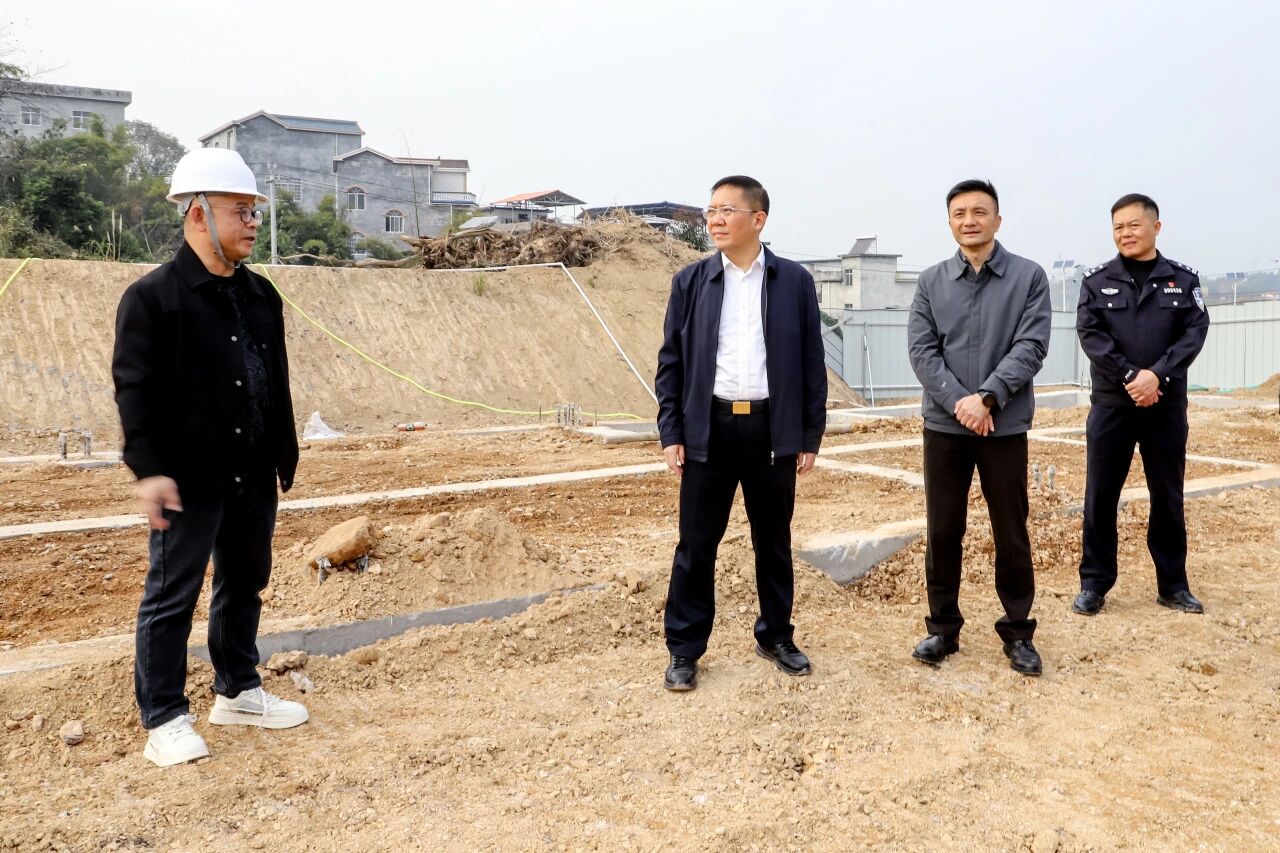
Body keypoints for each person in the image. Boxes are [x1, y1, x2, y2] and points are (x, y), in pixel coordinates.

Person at [112, 148, 306, 767]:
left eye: (254, 211)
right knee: (174, 594)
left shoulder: (261, 294)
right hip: (188, 475)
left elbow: (272, 378)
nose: (252, 222)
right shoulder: (152, 299)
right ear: (198, 214)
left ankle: (238, 690)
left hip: (253, 467)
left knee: (245, 582)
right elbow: (134, 389)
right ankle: (164, 717)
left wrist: (282, 452)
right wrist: (149, 471)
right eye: (240, 211)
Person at [655, 175, 827, 691]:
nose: (715, 220)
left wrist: (808, 435)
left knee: (773, 541)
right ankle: (685, 648)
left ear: (758, 219)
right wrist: (672, 430)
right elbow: (671, 363)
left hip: (772, 430)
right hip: (709, 428)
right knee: (696, 544)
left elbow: (811, 363)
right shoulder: (691, 281)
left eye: (726, 210)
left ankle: (776, 636)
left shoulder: (793, 282)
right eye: (711, 210)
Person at [907, 179, 1052, 676]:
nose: (969, 220)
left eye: (979, 212)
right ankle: (942, 629)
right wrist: (959, 403)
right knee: (943, 527)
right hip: (945, 427)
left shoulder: (1028, 277)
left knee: (1010, 529)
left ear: (997, 219)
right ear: (950, 221)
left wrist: (987, 397)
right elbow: (922, 351)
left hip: (1003, 425)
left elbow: (1031, 345)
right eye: (959, 213)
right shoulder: (931, 282)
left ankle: (1018, 632)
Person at [1073, 193, 1210, 616]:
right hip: (1113, 405)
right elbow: (1091, 334)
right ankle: (1094, 584)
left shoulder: (1182, 280)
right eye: (1118, 227)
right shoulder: (1096, 281)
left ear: (1156, 227)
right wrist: (1132, 376)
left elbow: (1194, 331)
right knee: (1100, 495)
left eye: (1134, 224)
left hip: (1164, 406)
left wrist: (1158, 375)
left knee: (1167, 495)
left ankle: (1173, 585)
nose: (1125, 233)